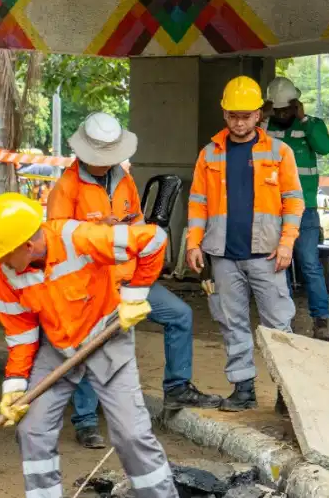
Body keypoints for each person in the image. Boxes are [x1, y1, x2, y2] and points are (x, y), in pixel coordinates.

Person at [0, 192, 195, 498]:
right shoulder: (8, 272)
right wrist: (14, 386)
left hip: (106, 332)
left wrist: (135, 295)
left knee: (130, 434)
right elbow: (20, 334)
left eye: (3, 251)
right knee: (32, 429)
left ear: (29, 244)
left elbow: (154, 240)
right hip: (57, 345)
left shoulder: (79, 237)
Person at [47, 112, 221, 450]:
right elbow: (58, 243)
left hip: (130, 280)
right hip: (90, 285)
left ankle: (176, 387)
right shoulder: (66, 188)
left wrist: (133, 242)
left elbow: (139, 227)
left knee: (180, 315)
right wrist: (101, 232)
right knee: (89, 346)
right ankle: (85, 420)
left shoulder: (122, 180)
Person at [186, 76, 303, 413]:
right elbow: (198, 203)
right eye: (233, 116)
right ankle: (243, 389)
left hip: (267, 254)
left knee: (279, 325)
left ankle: (287, 393)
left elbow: (293, 201)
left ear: (258, 116)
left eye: (246, 116)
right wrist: (194, 243)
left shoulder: (280, 152)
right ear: (224, 115)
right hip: (223, 255)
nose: (239, 122)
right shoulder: (209, 154)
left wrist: (286, 244)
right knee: (230, 321)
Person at [264, 77, 329, 341]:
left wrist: (304, 120)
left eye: (287, 109)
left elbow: (325, 147)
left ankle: (321, 320)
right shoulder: (263, 128)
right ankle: (285, 319)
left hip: (305, 209)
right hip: (272, 209)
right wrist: (262, 118)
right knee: (279, 265)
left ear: (295, 106)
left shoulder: (311, 125)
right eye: (277, 110)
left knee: (308, 264)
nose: (282, 115)